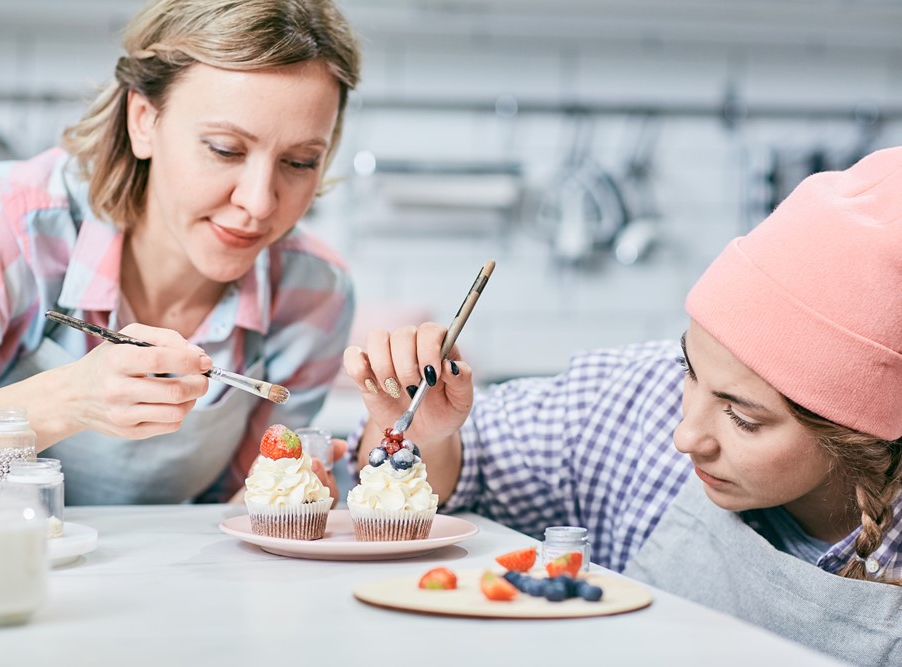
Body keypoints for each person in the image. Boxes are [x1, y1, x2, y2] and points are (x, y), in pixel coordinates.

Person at [344, 146, 902, 664]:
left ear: (858, 435)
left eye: (743, 417)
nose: (686, 434)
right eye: (691, 369)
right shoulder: (630, 397)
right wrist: (425, 430)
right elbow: (430, 481)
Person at [0, 0, 361, 505]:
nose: (258, 202)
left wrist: (278, 499)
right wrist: (69, 400)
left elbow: (226, 511)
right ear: (143, 120)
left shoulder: (313, 293)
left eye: (299, 162)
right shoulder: (17, 219)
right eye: (225, 149)